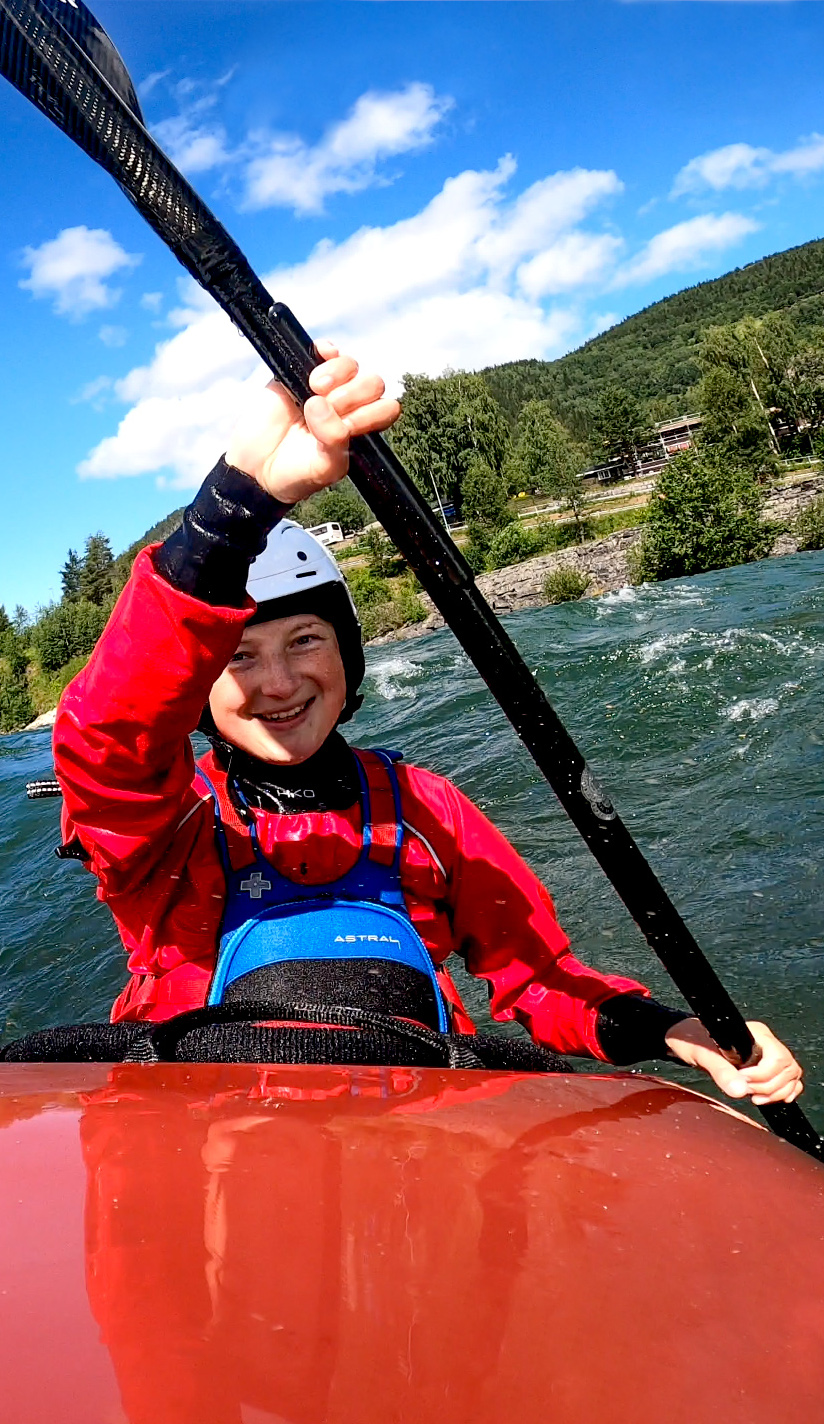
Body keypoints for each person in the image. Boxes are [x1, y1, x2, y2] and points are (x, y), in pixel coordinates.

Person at [54, 342, 803, 1105]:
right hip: (215, 1161)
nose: (279, 682)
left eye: (306, 640)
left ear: (348, 658)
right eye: (239, 656)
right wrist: (229, 513)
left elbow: (539, 979)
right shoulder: (167, 824)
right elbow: (106, 738)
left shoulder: (425, 807)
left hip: (418, 1149)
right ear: (200, 688)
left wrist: (676, 1030)